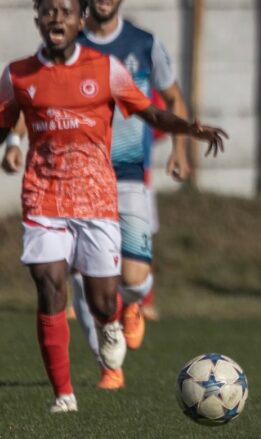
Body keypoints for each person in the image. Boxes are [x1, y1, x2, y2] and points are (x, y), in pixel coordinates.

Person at [0, 0, 226, 413]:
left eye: (66, 11)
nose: (57, 18)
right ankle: (64, 395)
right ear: (37, 18)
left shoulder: (106, 68)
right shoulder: (17, 74)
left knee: (104, 300)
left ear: (78, 20)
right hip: (44, 197)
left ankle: (112, 325)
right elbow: (6, 118)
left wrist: (187, 129)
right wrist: (12, 145)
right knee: (50, 285)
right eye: (48, 10)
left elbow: (150, 111)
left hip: (97, 199)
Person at [62, 0, 192, 391]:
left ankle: (132, 303)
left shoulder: (145, 43)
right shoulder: (70, 45)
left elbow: (174, 98)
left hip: (130, 175)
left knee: (134, 279)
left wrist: (180, 150)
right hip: (79, 176)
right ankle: (108, 365)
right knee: (83, 276)